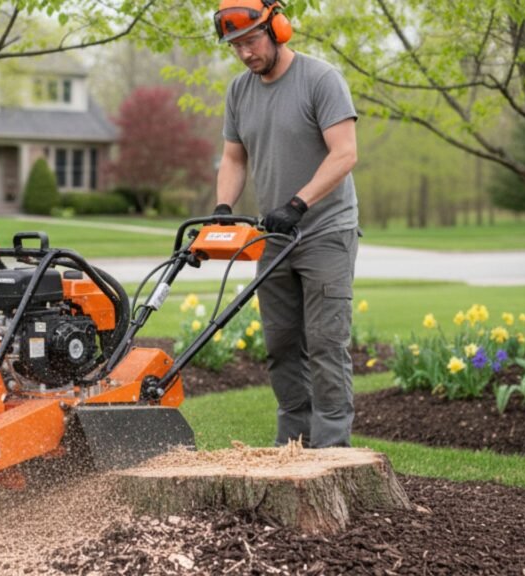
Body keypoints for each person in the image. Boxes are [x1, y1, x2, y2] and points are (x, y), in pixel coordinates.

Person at [212, 0, 359, 448]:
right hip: (273, 236)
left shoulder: (321, 79)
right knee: (280, 344)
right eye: (236, 46)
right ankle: (292, 444)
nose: (245, 53)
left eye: (251, 41)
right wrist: (222, 208)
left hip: (325, 231)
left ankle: (331, 449)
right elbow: (234, 158)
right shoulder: (240, 91)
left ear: (277, 28)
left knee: (326, 342)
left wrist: (298, 203)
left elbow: (345, 153)